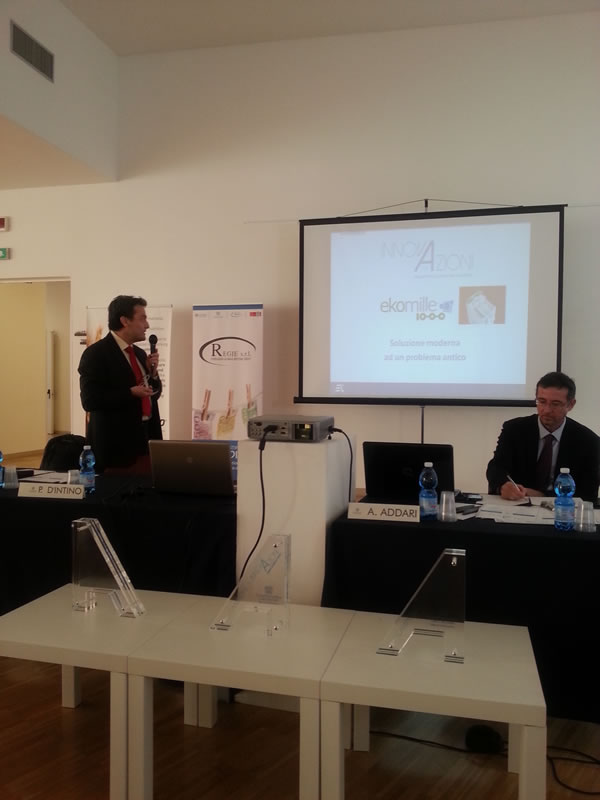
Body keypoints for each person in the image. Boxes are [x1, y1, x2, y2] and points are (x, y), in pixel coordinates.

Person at [486, 371, 600, 502]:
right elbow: (496, 467)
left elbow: (588, 492)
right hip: (518, 504)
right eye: (542, 401)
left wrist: (541, 495)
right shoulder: (514, 429)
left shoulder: (589, 441)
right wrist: (503, 485)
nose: (546, 410)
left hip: (562, 507)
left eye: (555, 404)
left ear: (571, 404)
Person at [78, 295, 162, 472]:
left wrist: (153, 374)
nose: (147, 325)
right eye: (142, 318)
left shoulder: (139, 353)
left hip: (146, 439)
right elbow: (90, 400)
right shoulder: (96, 354)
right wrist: (130, 392)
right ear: (125, 321)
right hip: (116, 448)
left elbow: (152, 395)